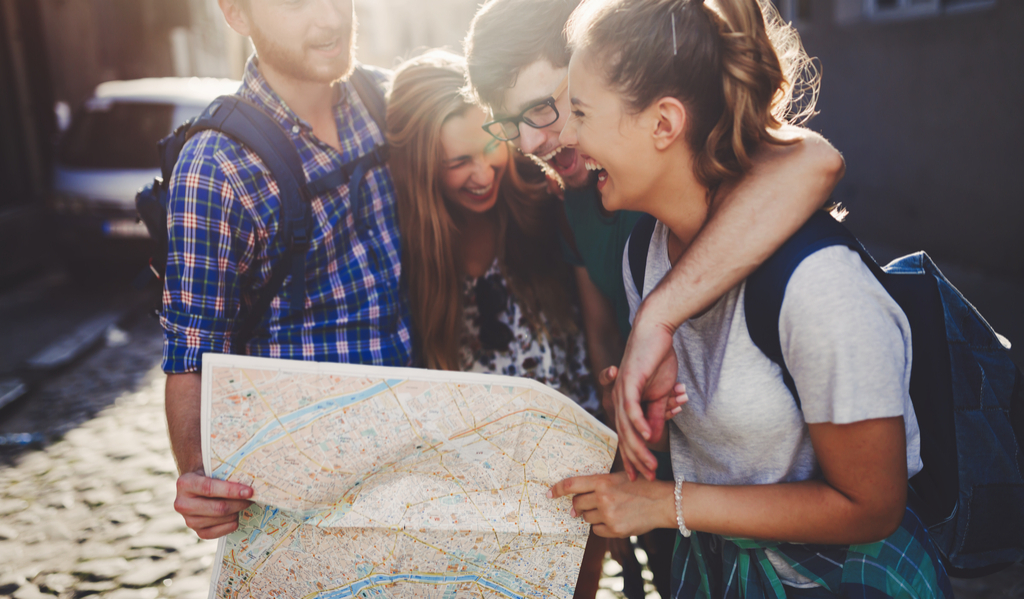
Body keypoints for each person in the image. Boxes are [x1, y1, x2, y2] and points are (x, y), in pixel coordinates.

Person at [550, 0, 953, 596]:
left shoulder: (820, 287)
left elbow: (873, 506)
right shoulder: (647, 253)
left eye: (580, 112)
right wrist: (653, 428)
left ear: (664, 123)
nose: (567, 135)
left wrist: (666, 504)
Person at [464, 0, 846, 484]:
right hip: (665, 466)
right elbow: (601, 330)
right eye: (507, 125)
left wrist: (656, 318)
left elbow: (815, 161)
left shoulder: (677, 165)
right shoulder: (578, 197)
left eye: (543, 109)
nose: (527, 145)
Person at [162, 0, 411, 540]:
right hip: (306, 502)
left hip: (414, 475)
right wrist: (196, 475)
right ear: (237, 14)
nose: (328, 18)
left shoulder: (383, 100)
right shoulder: (216, 166)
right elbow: (191, 352)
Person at [387, 51, 614, 597]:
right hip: (471, 491)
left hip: (568, 471)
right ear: (423, 167)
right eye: (458, 161)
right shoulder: (412, 251)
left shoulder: (543, 205)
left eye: (491, 148)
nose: (483, 173)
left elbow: (597, 330)